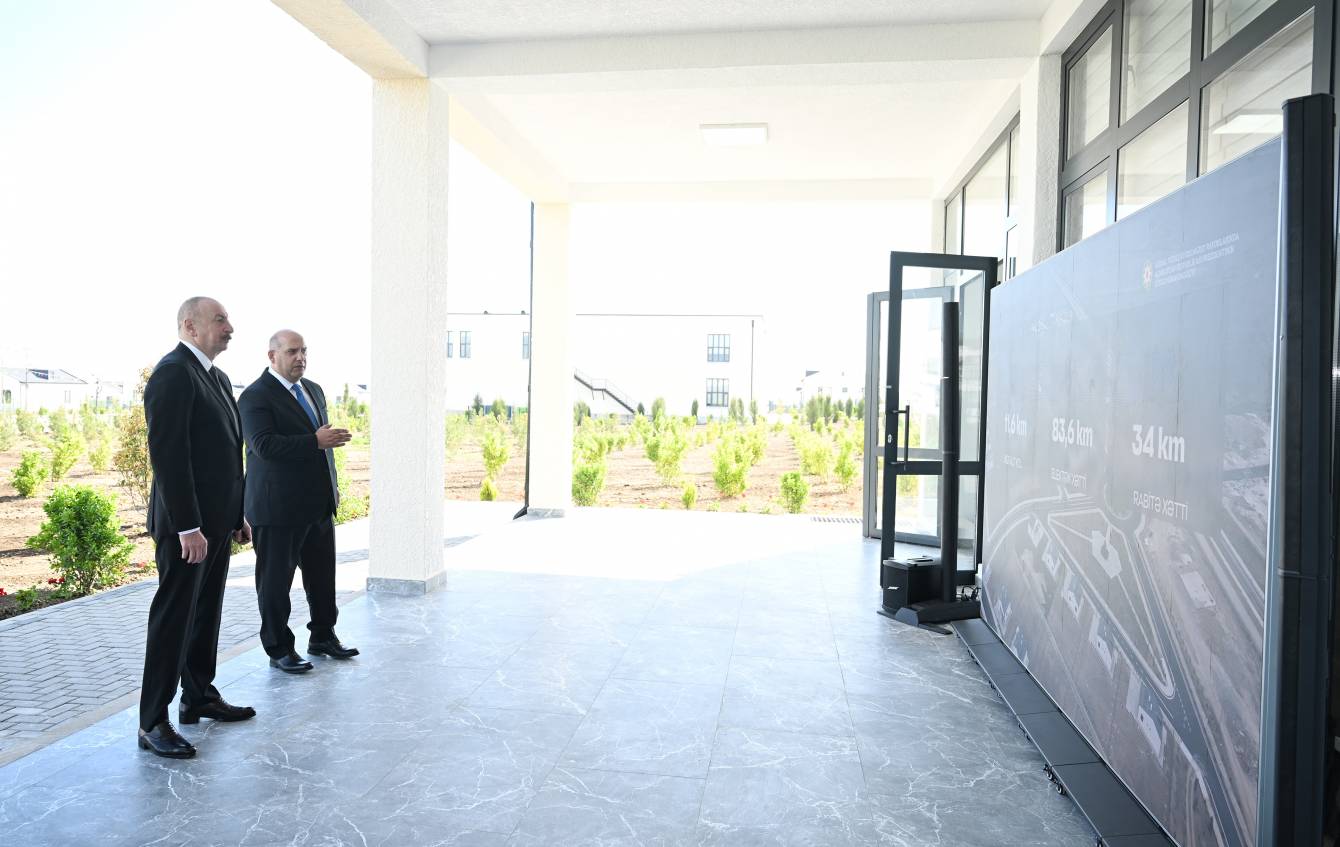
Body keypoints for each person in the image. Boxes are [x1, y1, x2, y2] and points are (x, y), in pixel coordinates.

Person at [138, 297, 255, 760]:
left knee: (206, 613)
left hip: (217, 523)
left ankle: (199, 695)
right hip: (185, 529)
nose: (230, 327)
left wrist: (236, 514)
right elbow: (169, 457)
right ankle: (152, 721)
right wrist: (187, 526)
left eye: (228, 319)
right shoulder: (173, 373)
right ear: (190, 326)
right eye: (220, 320)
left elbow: (225, 454)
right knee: (174, 620)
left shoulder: (217, 377)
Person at [238, 330, 357, 674]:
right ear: (272, 356)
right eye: (292, 351)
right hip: (276, 510)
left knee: (323, 579)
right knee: (275, 585)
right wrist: (314, 441)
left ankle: (323, 636)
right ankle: (279, 649)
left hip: (317, 506)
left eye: (304, 351)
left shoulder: (313, 390)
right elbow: (263, 445)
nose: (300, 357)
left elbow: (325, 447)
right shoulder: (255, 396)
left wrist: (332, 486)